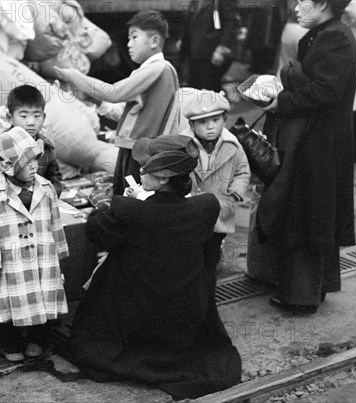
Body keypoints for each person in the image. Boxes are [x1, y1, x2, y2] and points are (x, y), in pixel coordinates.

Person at [70, 135, 242, 399]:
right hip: (184, 318)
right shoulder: (206, 206)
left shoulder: (130, 210)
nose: (139, 170)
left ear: (163, 179)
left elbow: (95, 230)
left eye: (147, 167)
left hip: (137, 319)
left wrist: (135, 203)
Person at [257, 0, 356, 314]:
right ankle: (315, 288)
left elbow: (327, 91)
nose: (296, 8)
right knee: (314, 211)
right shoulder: (326, 34)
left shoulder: (335, 37)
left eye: (303, 1)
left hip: (321, 142)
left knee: (308, 210)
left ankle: (301, 297)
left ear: (323, 4)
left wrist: (280, 102)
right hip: (316, 138)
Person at [54, 10, 180, 196]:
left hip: (144, 152)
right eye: (128, 38)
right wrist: (97, 101)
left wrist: (75, 76)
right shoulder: (145, 72)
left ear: (154, 41)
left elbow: (113, 93)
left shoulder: (159, 68)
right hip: (133, 148)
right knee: (124, 195)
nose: (128, 44)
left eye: (134, 37)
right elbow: (125, 111)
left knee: (134, 200)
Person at [0, 127, 69, 362]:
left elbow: (55, 221)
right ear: (8, 166)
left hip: (42, 256)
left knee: (42, 299)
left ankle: (38, 340)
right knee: (9, 303)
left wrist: (59, 250)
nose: (34, 166)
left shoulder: (46, 189)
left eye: (35, 160)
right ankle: (10, 344)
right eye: (26, 163)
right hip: (10, 260)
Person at [182, 90, 250, 285]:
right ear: (191, 124)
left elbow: (242, 171)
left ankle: (208, 297)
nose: (210, 127)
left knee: (211, 258)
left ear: (225, 118)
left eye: (216, 120)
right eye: (202, 122)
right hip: (190, 212)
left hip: (220, 211)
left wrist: (235, 193)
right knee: (191, 259)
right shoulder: (182, 145)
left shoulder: (233, 145)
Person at [0, 85, 62, 198]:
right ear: (9, 118)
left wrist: (46, 197)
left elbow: (55, 180)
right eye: (23, 116)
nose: (31, 122)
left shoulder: (46, 148)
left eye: (37, 116)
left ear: (44, 117)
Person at [178, 0, 239, 91]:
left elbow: (231, 23)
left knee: (210, 91)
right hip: (194, 52)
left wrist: (221, 49)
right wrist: (182, 39)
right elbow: (190, 20)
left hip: (211, 55)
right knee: (194, 90)